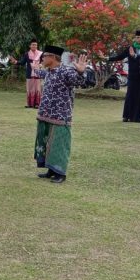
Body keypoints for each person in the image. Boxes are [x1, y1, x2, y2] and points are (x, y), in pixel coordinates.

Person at [32, 46, 87, 183]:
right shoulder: (50, 71)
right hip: (46, 114)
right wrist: (35, 69)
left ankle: (60, 173)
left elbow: (77, 81)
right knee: (47, 143)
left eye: (44, 56)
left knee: (59, 144)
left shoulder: (66, 71)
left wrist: (80, 72)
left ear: (52, 57)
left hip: (61, 116)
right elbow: (42, 75)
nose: (42, 59)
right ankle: (51, 170)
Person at [108, 30, 140, 122]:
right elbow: (120, 56)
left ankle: (138, 118)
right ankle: (127, 116)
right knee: (130, 96)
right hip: (133, 76)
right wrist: (108, 58)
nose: (139, 39)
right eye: (137, 37)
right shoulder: (131, 47)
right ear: (135, 38)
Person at [9, 39, 43, 108]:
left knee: (37, 89)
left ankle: (37, 104)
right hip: (29, 74)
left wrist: (40, 65)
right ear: (30, 46)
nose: (34, 46)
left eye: (36, 45)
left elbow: (43, 62)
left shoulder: (41, 53)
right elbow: (22, 62)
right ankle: (29, 104)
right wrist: (15, 61)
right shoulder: (27, 54)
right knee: (30, 89)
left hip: (38, 74)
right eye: (33, 45)